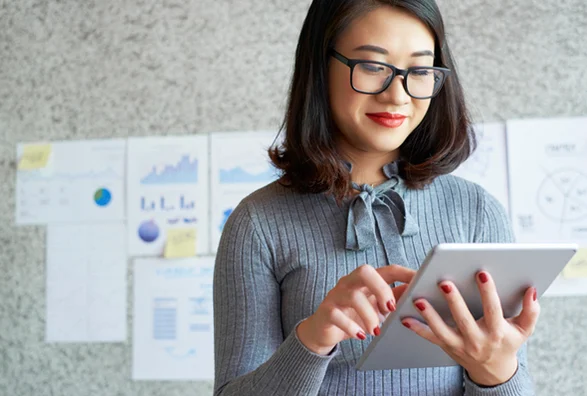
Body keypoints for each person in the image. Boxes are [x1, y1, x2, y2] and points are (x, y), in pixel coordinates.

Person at [213, 0, 538, 394]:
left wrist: (496, 371)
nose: (397, 96)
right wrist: (313, 339)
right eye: (372, 66)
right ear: (320, 68)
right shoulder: (258, 223)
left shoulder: (476, 211)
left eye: (419, 71)